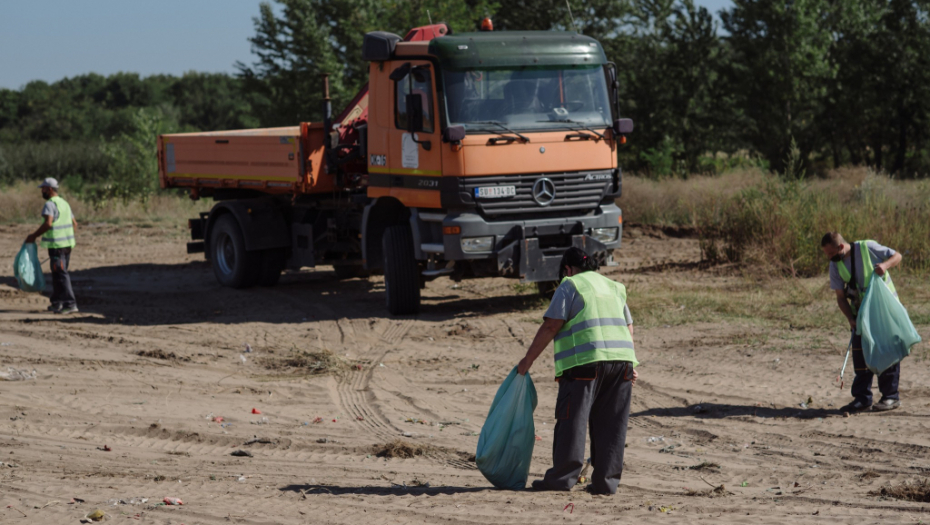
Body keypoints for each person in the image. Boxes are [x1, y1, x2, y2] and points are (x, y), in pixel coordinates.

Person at [517, 247, 637, 495]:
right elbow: (628, 326)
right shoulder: (614, 287)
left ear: (567, 270)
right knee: (612, 424)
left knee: (573, 420)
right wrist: (631, 364)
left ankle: (561, 479)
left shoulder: (570, 285)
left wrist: (526, 361)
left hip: (585, 363)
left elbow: (551, 326)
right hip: (622, 362)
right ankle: (606, 482)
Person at [821, 232, 902, 412]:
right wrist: (850, 318)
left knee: (886, 352)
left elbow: (897, 256)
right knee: (860, 355)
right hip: (860, 315)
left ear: (841, 247)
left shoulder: (868, 247)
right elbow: (841, 297)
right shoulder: (835, 266)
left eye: (830, 253)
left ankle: (890, 397)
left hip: (884, 310)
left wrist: (885, 265)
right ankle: (863, 398)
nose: (828, 257)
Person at [25, 178, 78, 314]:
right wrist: (68, 238)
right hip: (67, 245)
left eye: (43, 188)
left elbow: (48, 223)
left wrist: (34, 235)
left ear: (49, 189)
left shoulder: (50, 204)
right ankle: (57, 302)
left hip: (57, 246)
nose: (41, 191)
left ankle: (70, 304)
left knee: (60, 274)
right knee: (57, 273)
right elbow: (75, 224)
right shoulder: (64, 203)